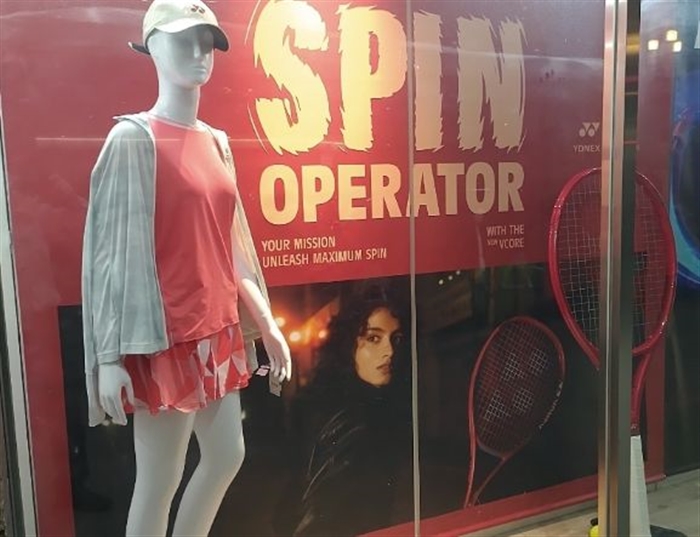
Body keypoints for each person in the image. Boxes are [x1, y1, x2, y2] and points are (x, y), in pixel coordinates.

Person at [80, 1, 291, 535]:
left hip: (217, 329)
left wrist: (267, 324)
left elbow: (233, 244)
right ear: (152, 46)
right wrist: (108, 357)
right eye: (183, 41)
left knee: (226, 456)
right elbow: (105, 258)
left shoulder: (217, 142)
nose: (199, 53)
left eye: (207, 42)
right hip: (167, 336)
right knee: (160, 480)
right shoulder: (134, 139)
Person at [274, 285, 411, 537]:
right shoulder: (346, 422)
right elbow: (317, 514)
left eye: (397, 339)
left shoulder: (379, 409)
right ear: (348, 345)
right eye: (373, 338)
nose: (390, 351)